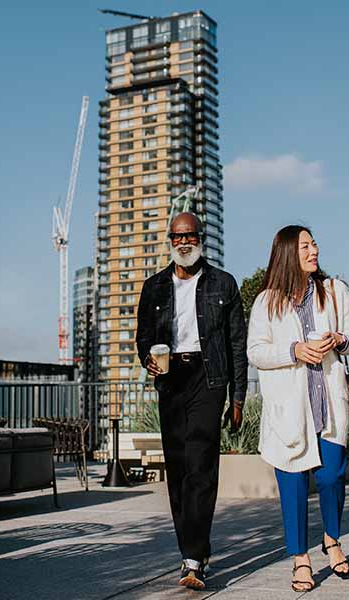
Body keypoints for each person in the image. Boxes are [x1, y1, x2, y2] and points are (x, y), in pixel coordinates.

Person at [136, 212, 248, 591]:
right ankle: (194, 548)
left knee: (201, 464)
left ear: (202, 239)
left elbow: (237, 345)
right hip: (170, 380)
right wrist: (147, 359)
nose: (184, 242)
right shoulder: (153, 287)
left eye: (190, 235)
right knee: (180, 469)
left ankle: (193, 560)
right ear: (170, 241)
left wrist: (238, 398)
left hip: (207, 377)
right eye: (177, 236)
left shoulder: (223, 283)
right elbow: (142, 337)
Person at [247, 225, 349, 592]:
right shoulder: (267, 301)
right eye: (306, 246)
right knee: (293, 485)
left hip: (328, 406)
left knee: (331, 478)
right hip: (289, 411)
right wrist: (293, 350)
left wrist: (339, 340)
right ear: (287, 254)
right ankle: (300, 558)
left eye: (314, 244)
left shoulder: (334, 291)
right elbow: (255, 353)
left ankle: (332, 539)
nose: (315, 251)